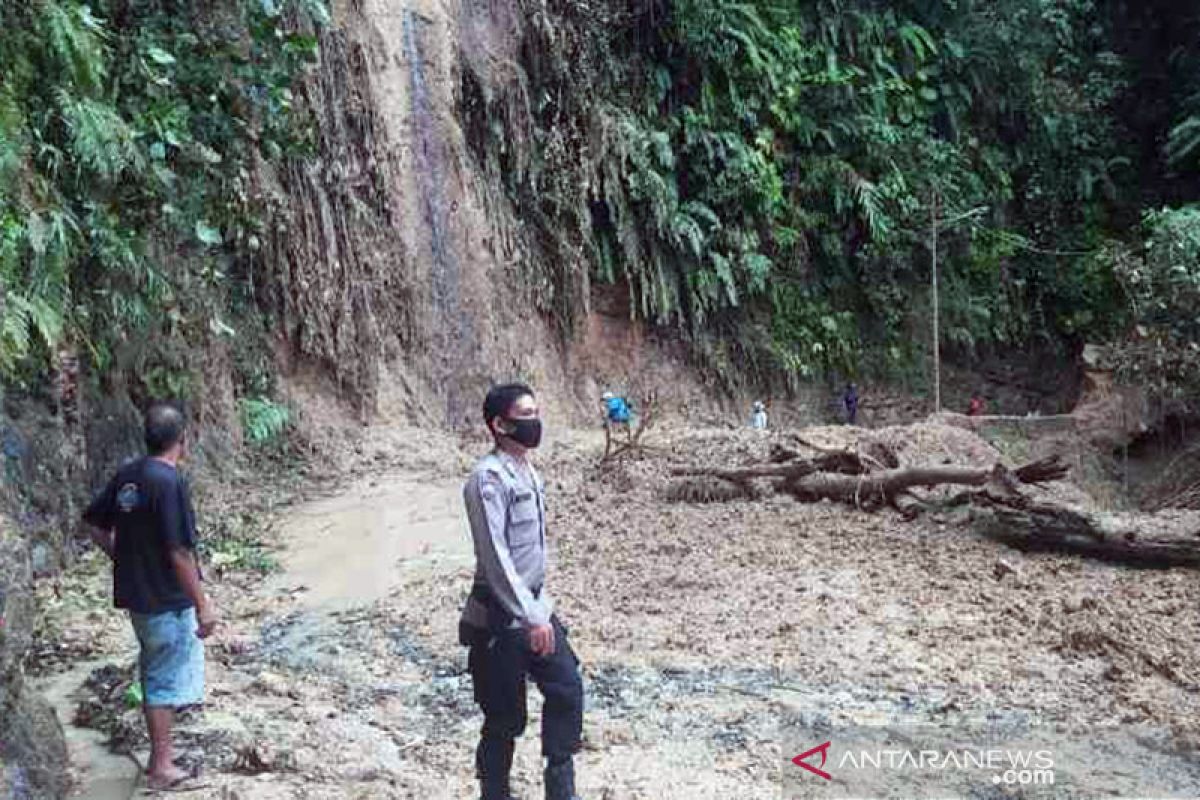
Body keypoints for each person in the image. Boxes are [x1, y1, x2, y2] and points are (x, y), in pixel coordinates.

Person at [459, 383, 585, 800]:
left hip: (534, 604)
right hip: (498, 614)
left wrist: (540, 609)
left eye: (537, 413)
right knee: (504, 717)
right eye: (525, 415)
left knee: (567, 688)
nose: (535, 423)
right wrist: (529, 615)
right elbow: (495, 559)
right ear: (500, 424)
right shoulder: (486, 480)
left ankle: (560, 789)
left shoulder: (529, 472)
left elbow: (535, 553)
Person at [82, 403, 216, 791]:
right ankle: (162, 766)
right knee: (162, 679)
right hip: (166, 599)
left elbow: (93, 523)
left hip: (137, 597)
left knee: (154, 670)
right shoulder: (170, 482)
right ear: (182, 440)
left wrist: (122, 558)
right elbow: (180, 552)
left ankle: (163, 758)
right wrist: (202, 604)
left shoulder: (129, 476)